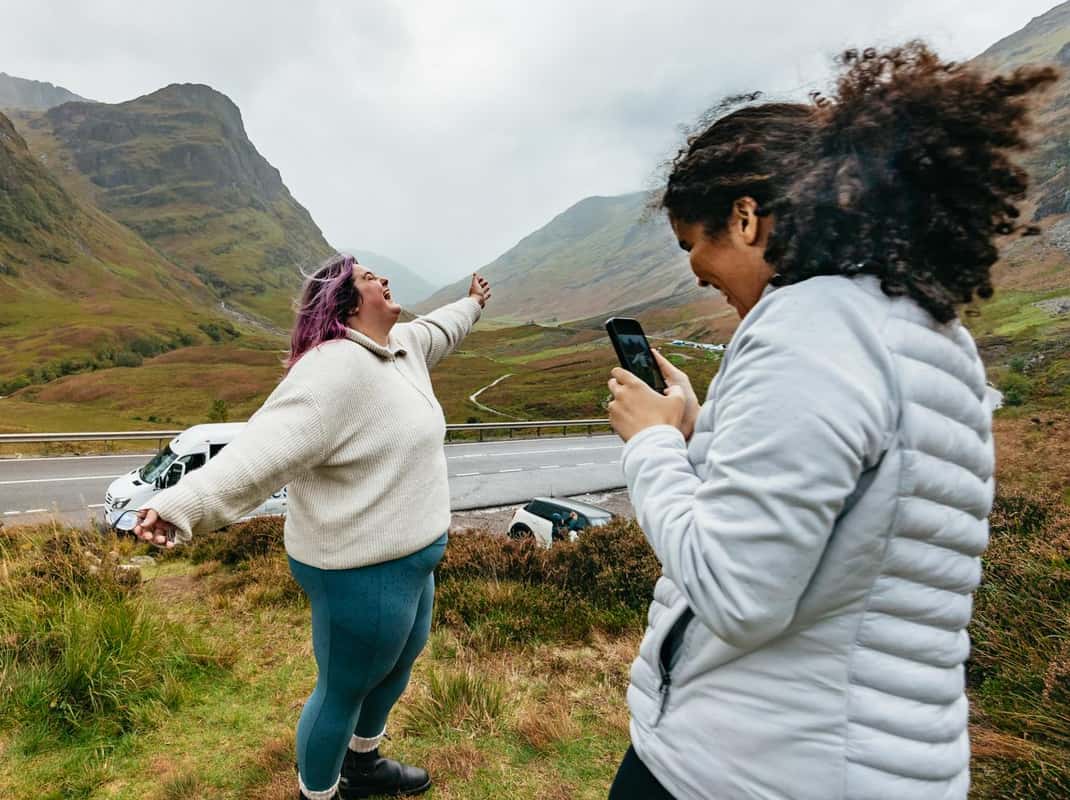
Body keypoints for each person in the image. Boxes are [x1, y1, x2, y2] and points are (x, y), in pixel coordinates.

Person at [605, 44, 1055, 800]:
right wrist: (699, 434)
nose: (697, 273)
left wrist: (651, 444)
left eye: (694, 245)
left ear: (745, 217)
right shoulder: (926, 333)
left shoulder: (809, 328)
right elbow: (848, 526)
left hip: (748, 769)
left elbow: (738, 594)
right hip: (880, 762)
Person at [134, 254, 492, 800]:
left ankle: (363, 765)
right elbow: (259, 453)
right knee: (341, 693)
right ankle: (317, 794)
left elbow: (441, 328)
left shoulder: (404, 349)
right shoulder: (330, 371)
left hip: (413, 562)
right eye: (371, 278)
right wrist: (181, 504)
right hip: (358, 572)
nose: (384, 280)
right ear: (347, 304)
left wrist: (473, 303)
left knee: (395, 669)